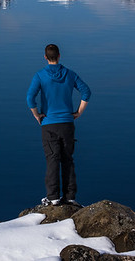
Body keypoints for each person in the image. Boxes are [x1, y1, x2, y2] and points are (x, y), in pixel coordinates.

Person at [26, 43, 91, 206]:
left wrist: (36, 115)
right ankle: (70, 197)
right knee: (67, 159)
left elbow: (30, 99)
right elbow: (86, 92)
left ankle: (53, 197)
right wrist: (79, 112)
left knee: (52, 160)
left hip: (48, 124)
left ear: (45, 57)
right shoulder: (70, 74)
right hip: (68, 123)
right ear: (59, 56)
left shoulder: (40, 75)